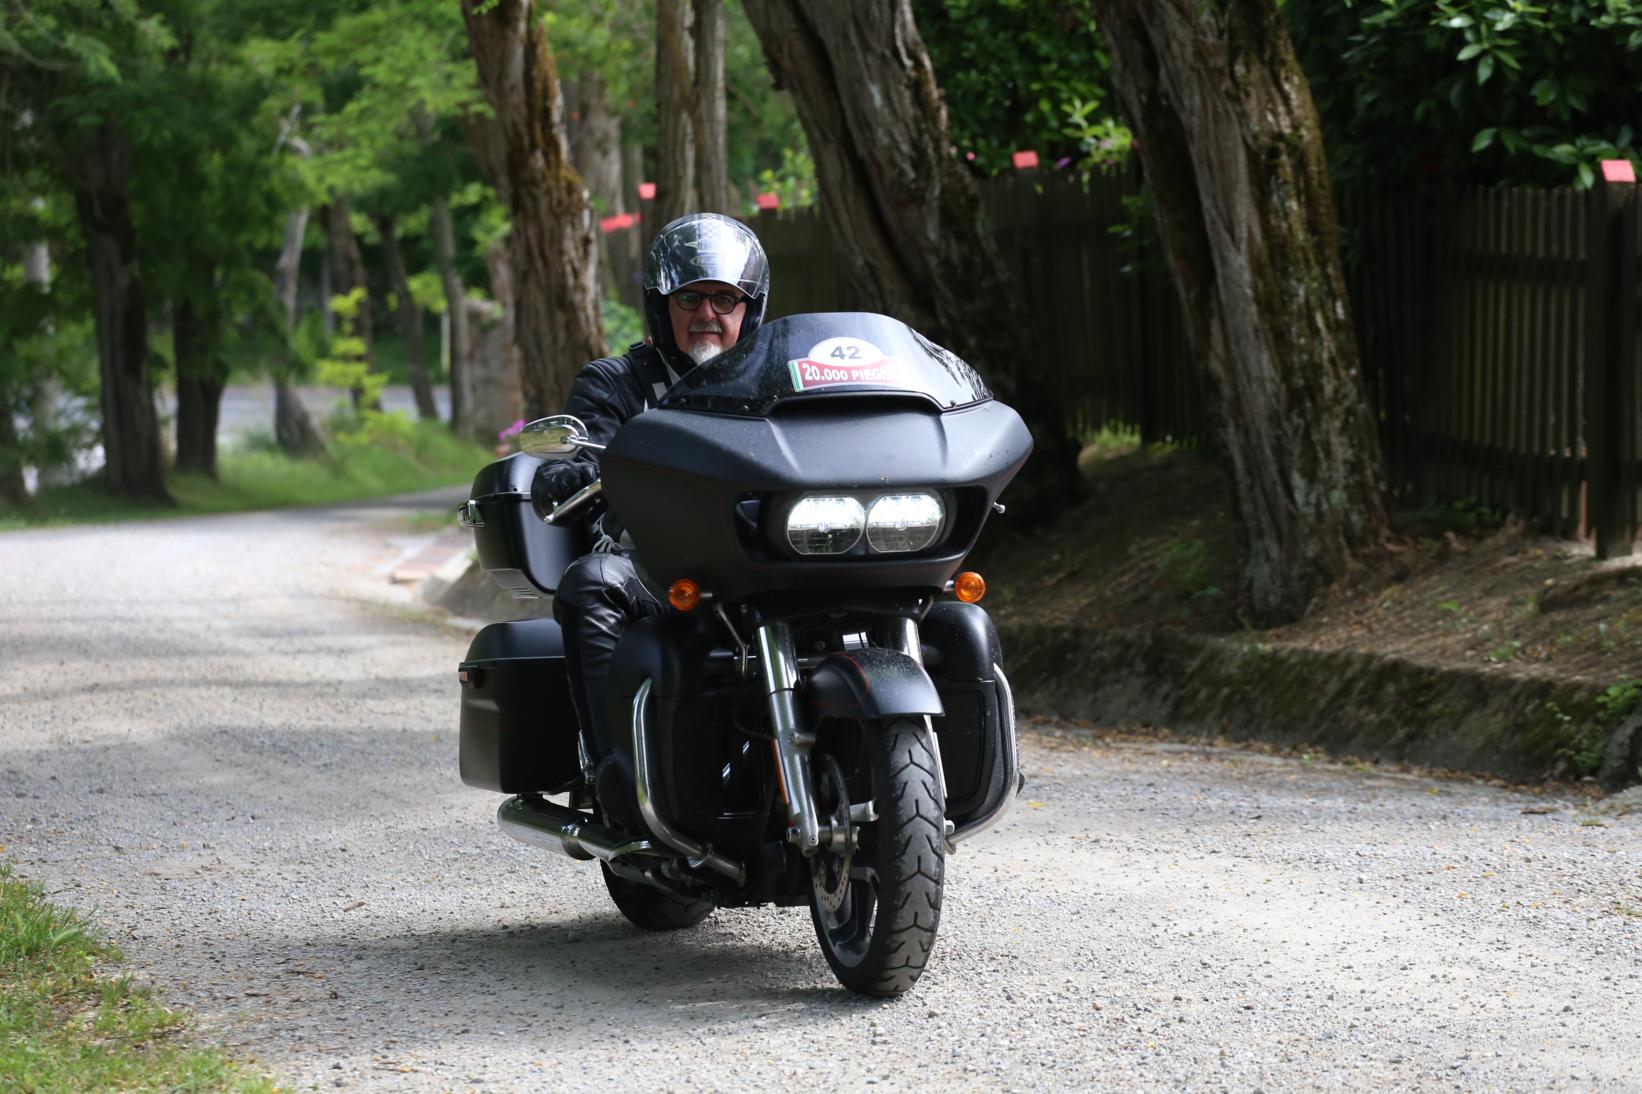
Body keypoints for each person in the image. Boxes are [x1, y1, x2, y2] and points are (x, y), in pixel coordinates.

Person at [533, 212, 770, 820]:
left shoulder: (782, 382)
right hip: (657, 575)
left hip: (768, 572)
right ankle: (617, 776)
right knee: (591, 584)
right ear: (661, 306)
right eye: (689, 298)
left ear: (750, 308)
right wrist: (577, 470)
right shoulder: (617, 382)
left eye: (725, 299)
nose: (707, 313)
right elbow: (578, 455)